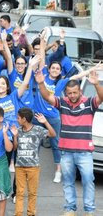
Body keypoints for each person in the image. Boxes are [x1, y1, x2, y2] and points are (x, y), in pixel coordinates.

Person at [35, 69, 103, 216]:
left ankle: (89, 210)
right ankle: (69, 209)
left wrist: (97, 84)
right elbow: (47, 96)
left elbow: (101, 97)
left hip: (85, 152)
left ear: (80, 91)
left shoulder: (90, 103)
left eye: (75, 92)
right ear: (66, 93)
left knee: (88, 181)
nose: (72, 95)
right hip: (66, 152)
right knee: (68, 182)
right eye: (69, 93)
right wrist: (41, 83)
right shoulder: (62, 103)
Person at [11, 108, 56, 216]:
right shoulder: (18, 130)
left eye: (18, 118)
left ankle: (31, 213)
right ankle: (18, 213)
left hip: (33, 167)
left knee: (32, 192)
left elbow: (53, 134)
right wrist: (15, 136)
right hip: (20, 166)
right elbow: (15, 148)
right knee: (19, 192)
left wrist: (45, 122)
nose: (17, 120)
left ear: (24, 119)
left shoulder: (38, 130)